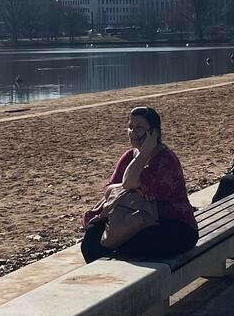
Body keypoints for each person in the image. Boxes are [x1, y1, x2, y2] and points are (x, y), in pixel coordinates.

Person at [81, 106, 199, 263]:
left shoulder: (164, 159)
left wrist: (143, 155)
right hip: (137, 218)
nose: (133, 132)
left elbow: (128, 182)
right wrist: (126, 187)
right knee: (92, 237)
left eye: (139, 127)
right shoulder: (130, 155)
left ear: (154, 133)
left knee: (131, 244)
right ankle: (100, 282)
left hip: (174, 225)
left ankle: (126, 282)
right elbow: (109, 190)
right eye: (130, 126)